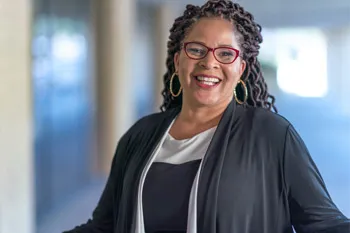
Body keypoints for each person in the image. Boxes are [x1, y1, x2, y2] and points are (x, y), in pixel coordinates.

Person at [63, 0, 350, 232]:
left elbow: (325, 224)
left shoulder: (272, 136)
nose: (209, 62)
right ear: (178, 61)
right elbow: (105, 225)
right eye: (197, 49)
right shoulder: (140, 136)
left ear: (241, 69)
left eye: (225, 53)